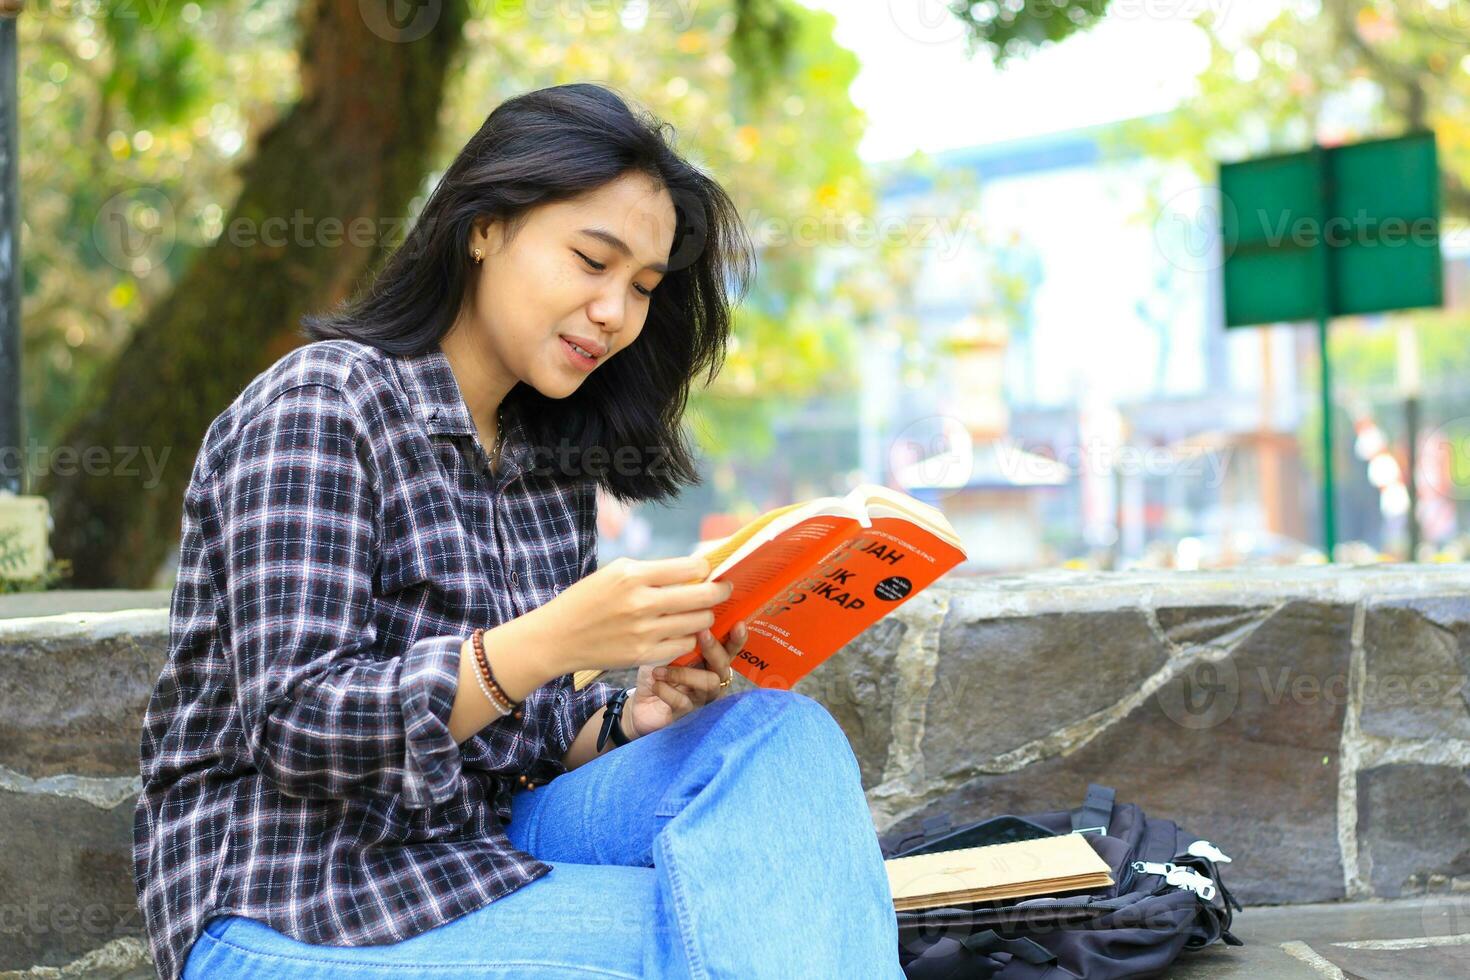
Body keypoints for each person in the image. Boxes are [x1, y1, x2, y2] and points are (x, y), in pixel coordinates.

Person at [132, 83, 905, 979]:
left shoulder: (548, 459)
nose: (615, 311)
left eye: (642, 287)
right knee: (740, 924)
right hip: (284, 900)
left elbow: (521, 741)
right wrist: (550, 640)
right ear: (484, 226)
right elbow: (303, 727)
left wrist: (627, 720)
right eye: (591, 260)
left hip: (476, 856)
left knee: (778, 741)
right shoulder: (323, 404)